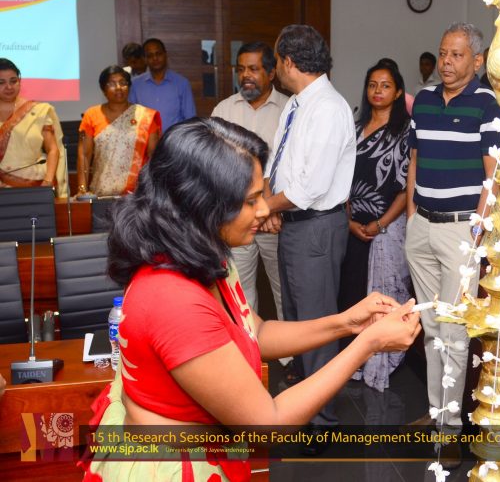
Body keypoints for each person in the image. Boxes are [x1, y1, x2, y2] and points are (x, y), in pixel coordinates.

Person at [79, 117, 420, 481]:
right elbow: (268, 424)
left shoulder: (205, 255)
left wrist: (346, 323)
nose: (264, 210)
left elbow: (255, 332)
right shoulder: (173, 300)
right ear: (202, 204)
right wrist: (367, 345)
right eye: (250, 200)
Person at [405, 23, 500, 434]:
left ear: (476, 61)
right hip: (421, 227)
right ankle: (438, 415)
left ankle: (448, 429)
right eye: (443, 53)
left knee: (453, 332)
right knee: (431, 329)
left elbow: (493, 178)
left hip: (461, 231)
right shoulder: (425, 100)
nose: (446, 62)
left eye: (457, 55)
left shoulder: (488, 106)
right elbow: (414, 160)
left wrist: (476, 234)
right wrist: (411, 215)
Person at [263, 24, 356, 445]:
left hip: (316, 226)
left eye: (277, 60)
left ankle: (322, 422)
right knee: (298, 321)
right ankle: (303, 405)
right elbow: (276, 163)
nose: (276, 68)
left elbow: (309, 189)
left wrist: (267, 207)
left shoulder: (328, 108)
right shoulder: (296, 104)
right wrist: (269, 202)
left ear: (289, 61)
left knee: (316, 325)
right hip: (294, 223)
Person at [338, 59, 412, 391]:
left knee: (381, 299)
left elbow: (406, 186)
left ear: (397, 92)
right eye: (372, 85)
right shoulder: (354, 129)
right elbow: (342, 179)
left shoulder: (407, 132)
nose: (377, 91)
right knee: (352, 294)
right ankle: (351, 360)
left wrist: (380, 224)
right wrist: (350, 220)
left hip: (388, 227)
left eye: (385, 85)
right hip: (353, 225)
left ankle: (378, 360)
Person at [211, 42, 288, 337]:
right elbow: (215, 164)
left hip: (276, 219)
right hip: (235, 219)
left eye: (254, 69)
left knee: (284, 292)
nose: (246, 75)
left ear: (271, 73)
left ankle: (289, 356)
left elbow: (290, 166)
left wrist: (269, 208)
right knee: (239, 293)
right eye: (241, 69)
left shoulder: (289, 109)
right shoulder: (224, 110)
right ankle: (247, 351)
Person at [77, 65, 161, 197]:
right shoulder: (92, 115)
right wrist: (82, 188)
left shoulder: (145, 116)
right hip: (100, 194)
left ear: (129, 87)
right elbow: (84, 155)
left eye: (123, 83)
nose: (118, 87)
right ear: (103, 90)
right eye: (112, 84)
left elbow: (154, 158)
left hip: (136, 196)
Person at [0, 58, 68, 197]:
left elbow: (53, 149)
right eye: (1, 83)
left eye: (13, 81)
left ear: (20, 81)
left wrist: (48, 181)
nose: (9, 87)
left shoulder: (38, 110)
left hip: (35, 185)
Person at [129, 38, 196, 131]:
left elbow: (190, 120)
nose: (155, 58)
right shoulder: (135, 85)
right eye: (150, 55)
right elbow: (131, 117)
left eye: (158, 54)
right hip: (145, 139)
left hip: (173, 139)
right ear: (145, 59)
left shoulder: (182, 83)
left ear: (165, 55)